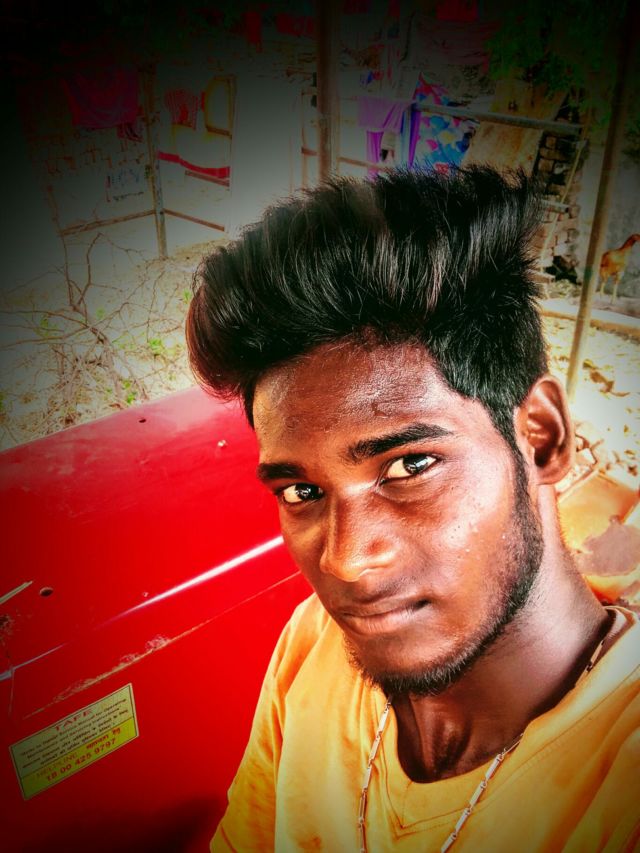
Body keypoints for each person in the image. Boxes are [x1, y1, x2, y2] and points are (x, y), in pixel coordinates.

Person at [186, 166, 639, 852]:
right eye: (302, 492)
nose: (347, 560)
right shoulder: (313, 646)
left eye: (409, 466)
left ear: (542, 440)